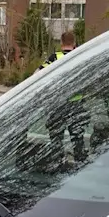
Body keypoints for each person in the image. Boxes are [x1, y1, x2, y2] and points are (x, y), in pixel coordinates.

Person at [39, 31, 87, 163]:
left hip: (57, 106)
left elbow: (38, 74)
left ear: (61, 43)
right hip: (76, 106)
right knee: (78, 139)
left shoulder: (54, 58)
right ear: (74, 43)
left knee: (56, 140)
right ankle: (80, 163)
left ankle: (58, 163)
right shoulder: (80, 57)